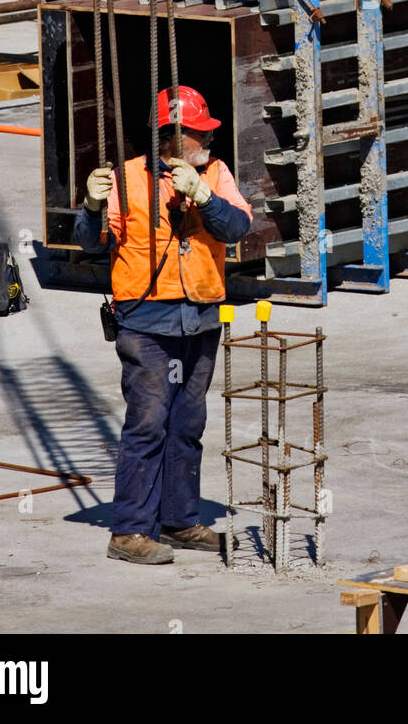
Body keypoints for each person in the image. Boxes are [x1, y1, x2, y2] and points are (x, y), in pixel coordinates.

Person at [74, 85, 251, 565]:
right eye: (199, 133)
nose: (208, 139)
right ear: (171, 138)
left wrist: (205, 196)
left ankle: (179, 519)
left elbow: (237, 229)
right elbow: (90, 244)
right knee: (148, 423)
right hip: (146, 323)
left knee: (188, 423)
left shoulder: (215, 172)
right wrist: (91, 205)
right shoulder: (128, 179)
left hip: (201, 319)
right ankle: (129, 531)